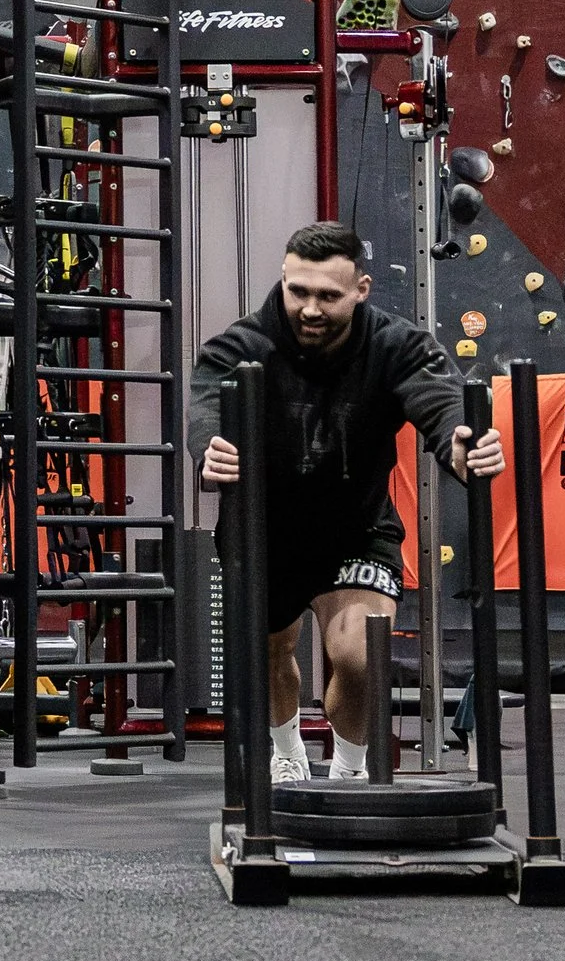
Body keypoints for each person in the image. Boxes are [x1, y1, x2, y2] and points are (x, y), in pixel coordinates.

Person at [188, 219, 504, 786]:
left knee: (360, 655)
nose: (310, 308)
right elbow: (208, 407)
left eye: (328, 296)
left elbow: (438, 399)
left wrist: (458, 440)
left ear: (361, 288)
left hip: (355, 528)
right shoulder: (239, 347)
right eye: (298, 291)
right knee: (269, 651)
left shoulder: (395, 344)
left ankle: (349, 770)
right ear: (283, 280)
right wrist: (208, 447)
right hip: (265, 530)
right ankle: (285, 751)